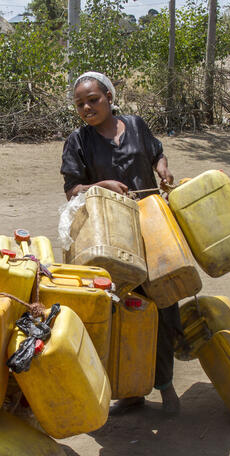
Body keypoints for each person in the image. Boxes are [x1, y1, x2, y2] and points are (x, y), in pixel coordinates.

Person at [60, 71, 181, 415]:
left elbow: (157, 153)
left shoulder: (136, 125)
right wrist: (101, 186)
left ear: (110, 97)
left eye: (93, 100)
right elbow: (72, 190)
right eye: (80, 103)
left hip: (152, 226)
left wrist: (163, 170)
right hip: (111, 236)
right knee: (121, 312)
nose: (86, 107)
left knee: (163, 304)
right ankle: (131, 390)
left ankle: (165, 384)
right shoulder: (78, 142)